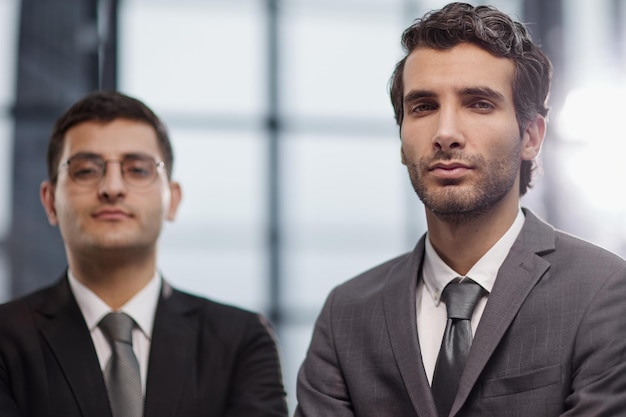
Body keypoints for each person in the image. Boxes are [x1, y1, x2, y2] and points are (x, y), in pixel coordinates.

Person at [294, 3, 626, 417]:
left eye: (478, 103)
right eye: (423, 107)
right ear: (401, 141)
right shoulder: (346, 314)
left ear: (531, 137)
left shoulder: (605, 291)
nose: (445, 133)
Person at [0, 91, 288, 417]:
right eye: (85, 170)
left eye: (137, 170)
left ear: (173, 199)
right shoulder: (6, 338)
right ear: (50, 200)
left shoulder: (240, 340)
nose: (112, 187)